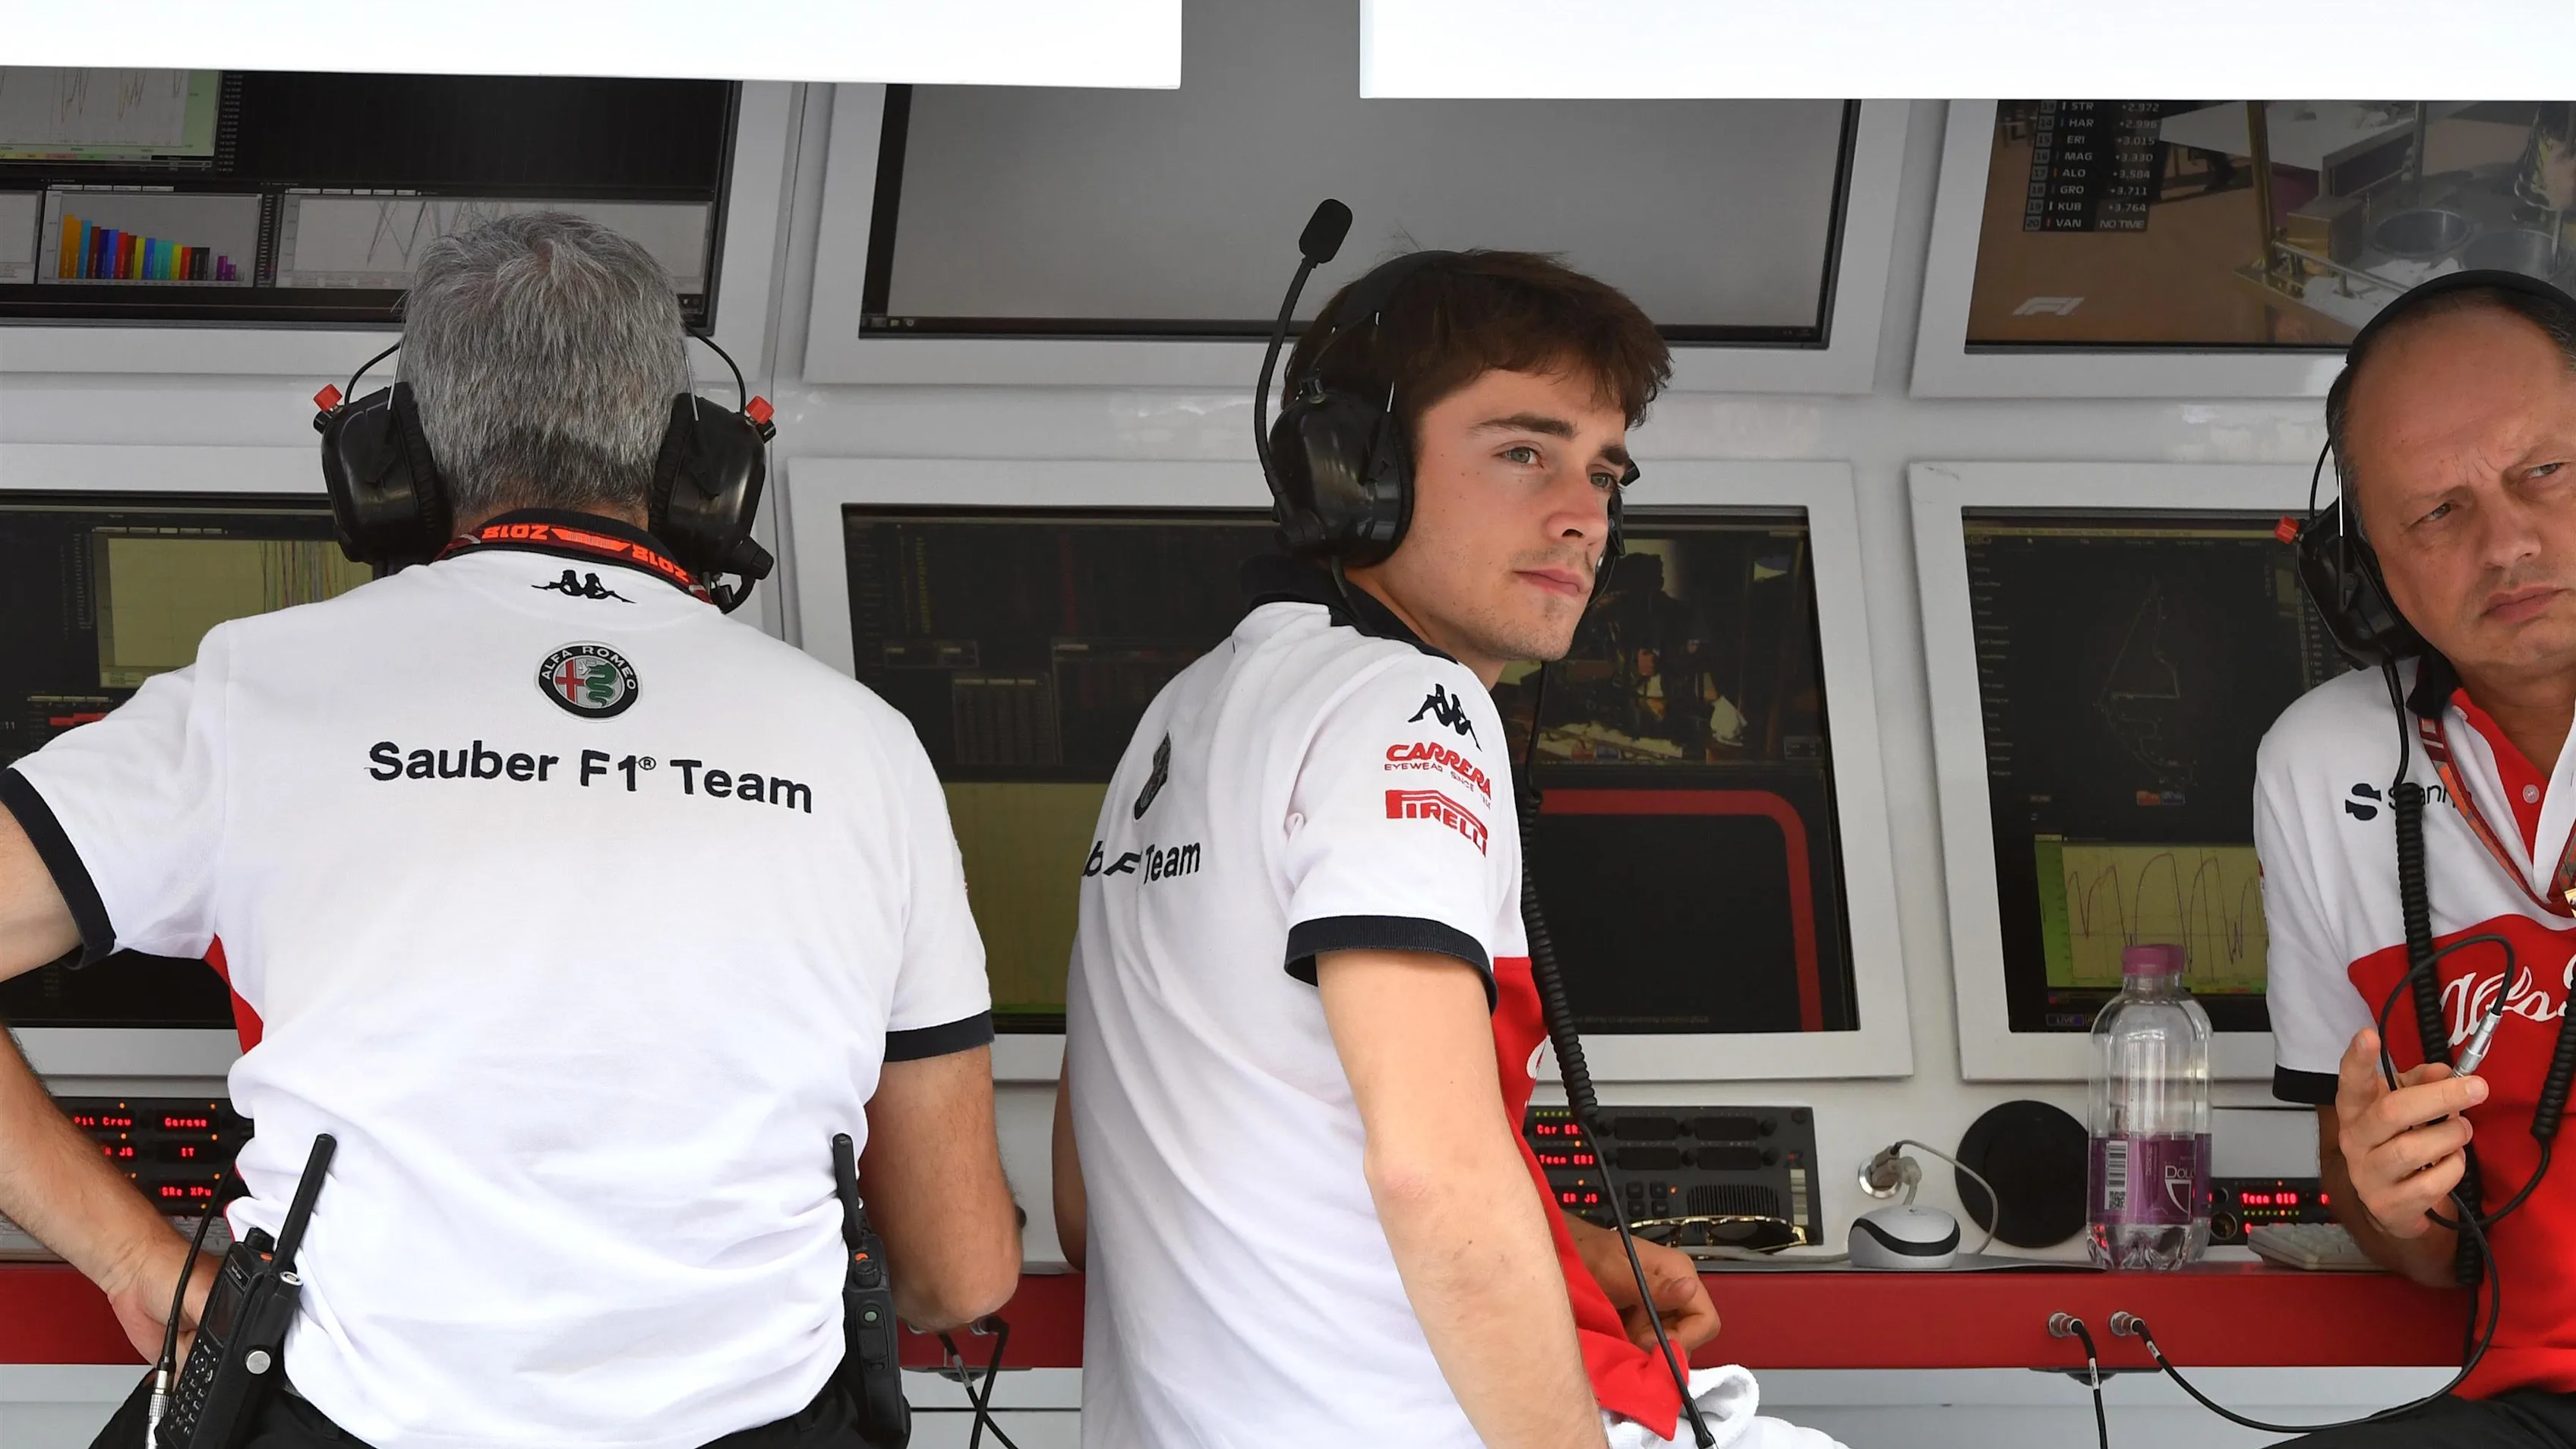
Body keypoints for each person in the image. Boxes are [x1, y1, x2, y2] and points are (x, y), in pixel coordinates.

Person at [0, 213, 1018, 1449]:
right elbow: (961, 1276)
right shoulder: (865, 748)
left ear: (395, 461)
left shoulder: (258, 691)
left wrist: (137, 1266)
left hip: (347, 1412)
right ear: (696, 461)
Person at [1049, 246, 1845, 1449]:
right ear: (1352, 470)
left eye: (1605, 472)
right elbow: (1430, 1171)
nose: (1584, 516)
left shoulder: (1182, 719)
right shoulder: (1405, 706)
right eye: (1523, 452)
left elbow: (1089, 1206)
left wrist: (1572, 1251)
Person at [2259, 271, 2576, 1446]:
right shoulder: (2322, 761)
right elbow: (2416, 1248)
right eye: (2435, 513)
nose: (2509, 543)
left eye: (2544, 471)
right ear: (2364, 572)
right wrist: (2394, 1204)